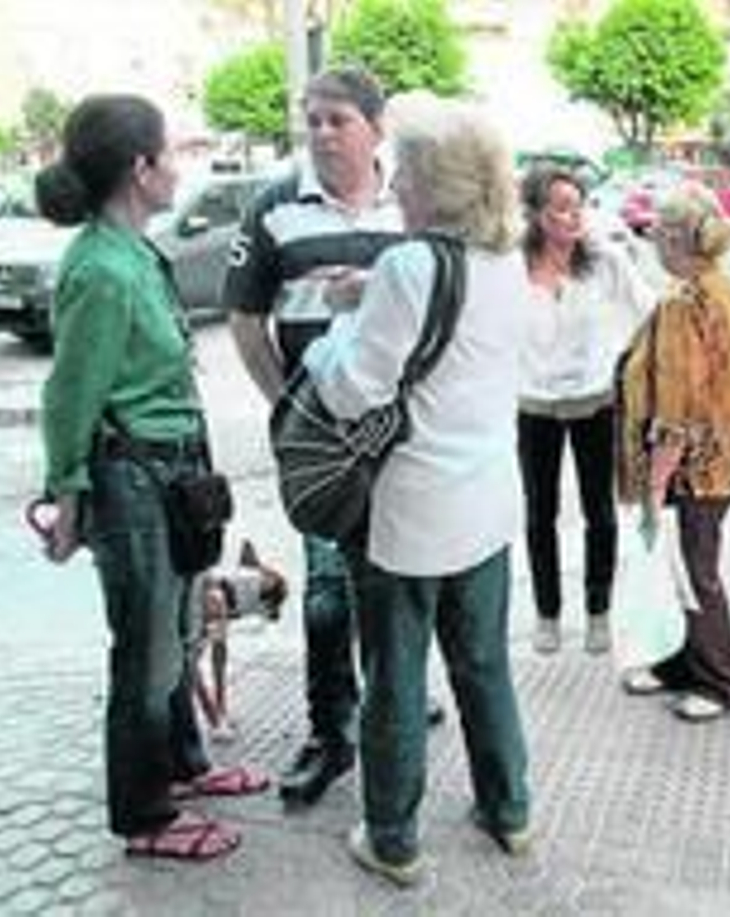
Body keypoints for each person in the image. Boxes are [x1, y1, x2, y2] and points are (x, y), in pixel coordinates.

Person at [300, 91, 531, 888]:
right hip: (489, 504)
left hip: (409, 516)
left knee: (395, 677)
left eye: (407, 171)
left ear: (439, 183)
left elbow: (354, 391)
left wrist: (335, 329)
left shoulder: (410, 264)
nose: (395, 183)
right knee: (484, 664)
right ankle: (510, 811)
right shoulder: (505, 263)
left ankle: (393, 838)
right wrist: (374, 294)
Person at [37, 94, 267, 863]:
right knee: (145, 656)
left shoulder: (135, 251)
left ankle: (185, 766)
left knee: (176, 632)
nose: (178, 167)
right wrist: (65, 491)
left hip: (172, 477)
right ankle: (143, 815)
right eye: (168, 154)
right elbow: (70, 391)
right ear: (140, 169)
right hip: (131, 484)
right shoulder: (100, 268)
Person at [223, 66, 410, 808]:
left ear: (375, 126)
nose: (324, 133)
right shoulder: (273, 206)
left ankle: (394, 699)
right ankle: (330, 732)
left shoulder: (413, 200)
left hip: (400, 437)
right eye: (314, 120)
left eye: (339, 119)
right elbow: (243, 320)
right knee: (328, 589)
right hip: (322, 446)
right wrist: (286, 411)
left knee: (397, 577)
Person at [615, 183, 730, 724]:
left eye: (658, 230)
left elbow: (676, 405)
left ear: (674, 237)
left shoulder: (683, 301)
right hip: (723, 457)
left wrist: (654, 484)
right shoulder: (720, 286)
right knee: (678, 568)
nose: (651, 238)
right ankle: (677, 665)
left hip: (694, 468)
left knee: (694, 573)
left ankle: (724, 681)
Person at [517, 165, 655, 656]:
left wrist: (629, 367)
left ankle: (599, 612)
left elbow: (649, 313)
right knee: (540, 514)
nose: (575, 216)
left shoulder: (605, 261)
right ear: (535, 214)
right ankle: (547, 614)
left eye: (579, 205)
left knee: (601, 512)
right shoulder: (511, 267)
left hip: (595, 402)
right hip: (532, 406)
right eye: (561, 207)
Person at [189, 540, 288, 744]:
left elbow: (218, 655)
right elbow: (191, 667)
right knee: (188, 663)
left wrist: (221, 708)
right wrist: (216, 721)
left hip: (207, 588)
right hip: (208, 595)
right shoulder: (217, 601)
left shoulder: (224, 588)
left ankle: (216, 714)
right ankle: (212, 718)